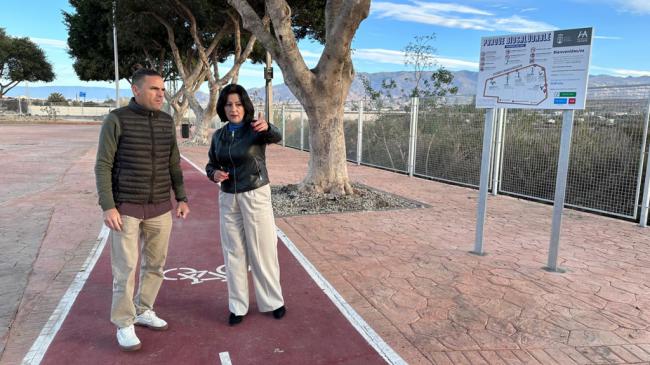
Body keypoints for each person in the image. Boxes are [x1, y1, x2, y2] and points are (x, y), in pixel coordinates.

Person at [95, 68, 190, 351]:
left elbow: (174, 163)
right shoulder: (116, 120)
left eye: (162, 90)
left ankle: (143, 309)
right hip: (126, 208)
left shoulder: (166, 121)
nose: (161, 94)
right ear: (136, 90)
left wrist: (181, 198)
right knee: (125, 269)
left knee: (156, 265)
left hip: (160, 207)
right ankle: (124, 323)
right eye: (154, 89)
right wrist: (108, 205)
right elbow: (103, 165)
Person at [206, 84, 285, 326]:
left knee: (263, 250)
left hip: (255, 194)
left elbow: (276, 136)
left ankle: (273, 301)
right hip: (228, 197)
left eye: (238, 104)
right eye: (228, 104)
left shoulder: (255, 129)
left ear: (245, 106)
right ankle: (237, 306)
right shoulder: (218, 136)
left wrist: (268, 126)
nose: (233, 109)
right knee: (233, 253)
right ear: (222, 107)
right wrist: (214, 174)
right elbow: (211, 164)